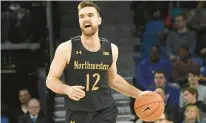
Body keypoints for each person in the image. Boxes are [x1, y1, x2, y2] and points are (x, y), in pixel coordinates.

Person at [46, 1, 145, 123]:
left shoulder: (111, 49)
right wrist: (67, 90)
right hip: (78, 112)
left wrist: (139, 94)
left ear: (99, 20)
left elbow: (113, 80)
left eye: (90, 15)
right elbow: (50, 80)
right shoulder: (66, 48)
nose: (85, 19)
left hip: (105, 111)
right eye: (81, 16)